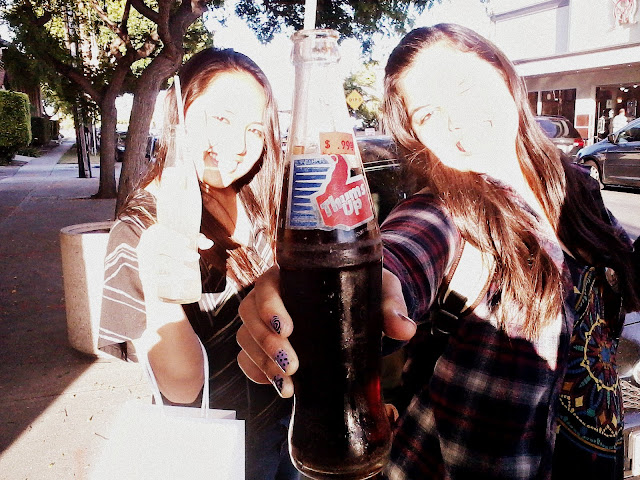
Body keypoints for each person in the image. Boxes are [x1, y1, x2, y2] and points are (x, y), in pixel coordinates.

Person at [235, 24, 640, 480]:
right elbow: (399, 258)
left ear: (504, 73)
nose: (456, 122)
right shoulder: (441, 213)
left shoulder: (576, 188)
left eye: (464, 88)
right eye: (428, 115)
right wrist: (345, 287)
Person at [98, 48, 299, 480]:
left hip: (289, 423)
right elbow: (180, 386)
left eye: (254, 129)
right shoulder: (139, 229)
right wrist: (158, 287)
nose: (239, 146)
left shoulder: (259, 196)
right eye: (221, 118)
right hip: (221, 447)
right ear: (180, 112)